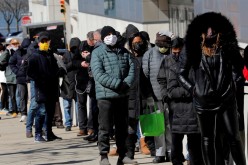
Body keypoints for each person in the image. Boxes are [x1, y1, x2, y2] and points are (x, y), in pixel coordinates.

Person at [178, 12, 246, 165]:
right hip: (203, 101)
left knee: (233, 137)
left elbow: (240, 70)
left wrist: (233, 85)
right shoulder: (192, 47)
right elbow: (181, 75)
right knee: (207, 138)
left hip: (226, 98)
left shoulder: (227, 45)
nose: (210, 31)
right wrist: (194, 90)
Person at [91, 26, 136, 165]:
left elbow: (132, 68)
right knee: (105, 127)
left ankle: (123, 155)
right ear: (103, 37)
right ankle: (104, 156)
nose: (111, 36)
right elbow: (98, 74)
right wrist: (117, 84)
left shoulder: (123, 51)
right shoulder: (97, 52)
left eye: (113, 34)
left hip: (122, 95)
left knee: (122, 127)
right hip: (105, 96)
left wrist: (126, 83)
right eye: (108, 34)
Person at [157, 37, 203, 165]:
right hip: (175, 108)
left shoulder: (193, 63)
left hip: (192, 109)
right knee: (176, 143)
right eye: (174, 52)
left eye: (179, 52)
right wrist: (165, 95)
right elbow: (162, 80)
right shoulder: (167, 61)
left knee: (194, 145)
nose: (176, 54)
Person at [142, 30, 173, 163]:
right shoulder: (149, 54)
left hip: (171, 96)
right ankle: (160, 153)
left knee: (170, 125)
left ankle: (171, 151)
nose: (163, 47)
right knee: (158, 125)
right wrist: (148, 95)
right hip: (154, 96)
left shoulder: (172, 53)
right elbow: (144, 76)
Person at [27, 31, 62, 142]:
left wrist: (58, 72)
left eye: (46, 41)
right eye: (42, 41)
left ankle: (49, 133)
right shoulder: (34, 56)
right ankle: (38, 134)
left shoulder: (50, 54)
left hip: (51, 88)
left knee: (50, 112)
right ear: (38, 43)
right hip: (41, 89)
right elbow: (30, 72)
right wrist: (40, 78)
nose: (44, 43)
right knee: (41, 111)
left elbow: (54, 69)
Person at [73, 32, 94, 136]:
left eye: (93, 40)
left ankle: (91, 127)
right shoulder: (81, 46)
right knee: (81, 104)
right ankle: (82, 127)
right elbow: (74, 61)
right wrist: (81, 63)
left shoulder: (97, 47)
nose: (92, 43)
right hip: (81, 80)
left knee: (92, 105)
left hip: (92, 79)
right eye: (90, 41)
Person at [60, 37, 81, 131]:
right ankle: (68, 124)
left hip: (78, 83)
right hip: (67, 84)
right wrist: (71, 64)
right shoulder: (66, 55)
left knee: (78, 105)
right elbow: (63, 68)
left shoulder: (80, 55)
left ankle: (81, 123)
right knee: (67, 105)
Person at [9, 38, 31, 122]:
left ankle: (31, 113)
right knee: (22, 96)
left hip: (30, 78)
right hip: (20, 78)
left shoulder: (31, 52)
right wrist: (17, 72)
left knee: (31, 98)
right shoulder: (18, 52)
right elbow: (11, 63)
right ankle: (24, 113)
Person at [0, 39, 19, 118]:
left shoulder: (19, 51)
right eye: (13, 43)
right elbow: (1, 61)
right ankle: (14, 110)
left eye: (16, 43)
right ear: (10, 44)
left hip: (18, 75)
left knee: (19, 95)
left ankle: (19, 110)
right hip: (10, 76)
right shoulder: (7, 52)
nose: (15, 45)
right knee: (12, 95)